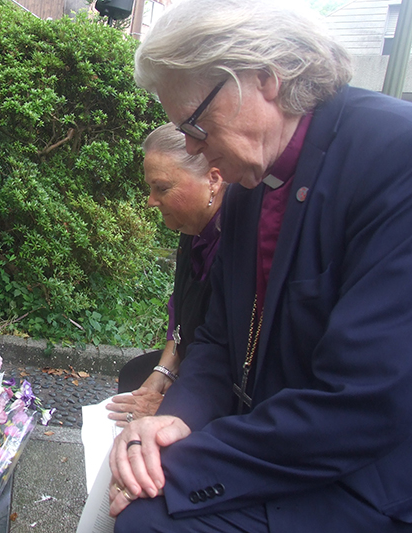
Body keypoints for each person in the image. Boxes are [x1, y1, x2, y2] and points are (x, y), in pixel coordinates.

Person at [109, 0, 412, 531]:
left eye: (195, 127)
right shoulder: (253, 178)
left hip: (368, 477)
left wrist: (179, 464)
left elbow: (362, 404)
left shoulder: (394, 158)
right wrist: (177, 417)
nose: (195, 153)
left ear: (264, 78)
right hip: (284, 444)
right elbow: (222, 341)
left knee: (144, 513)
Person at [106, 124, 225, 423]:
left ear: (213, 180)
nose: (150, 200)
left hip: (220, 382)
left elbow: (222, 351)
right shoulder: (191, 227)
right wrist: (164, 370)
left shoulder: (234, 247)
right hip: (193, 360)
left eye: (162, 188)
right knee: (135, 375)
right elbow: (180, 311)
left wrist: (177, 406)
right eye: (150, 188)